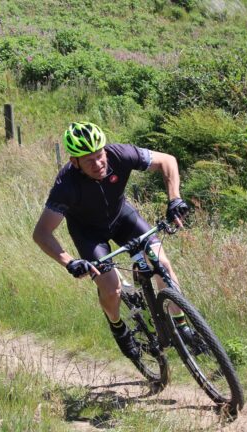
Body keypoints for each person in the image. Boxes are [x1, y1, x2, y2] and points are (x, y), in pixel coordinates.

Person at [33, 122, 192, 360]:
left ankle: (182, 324)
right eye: (89, 160)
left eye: (99, 156)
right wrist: (69, 262)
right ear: (75, 162)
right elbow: (42, 233)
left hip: (122, 217)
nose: (98, 164)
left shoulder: (120, 154)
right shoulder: (65, 186)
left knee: (162, 264)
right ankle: (118, 327)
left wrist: (174, 199)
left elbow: (167, 161)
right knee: (111, 287)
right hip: (89, 233)